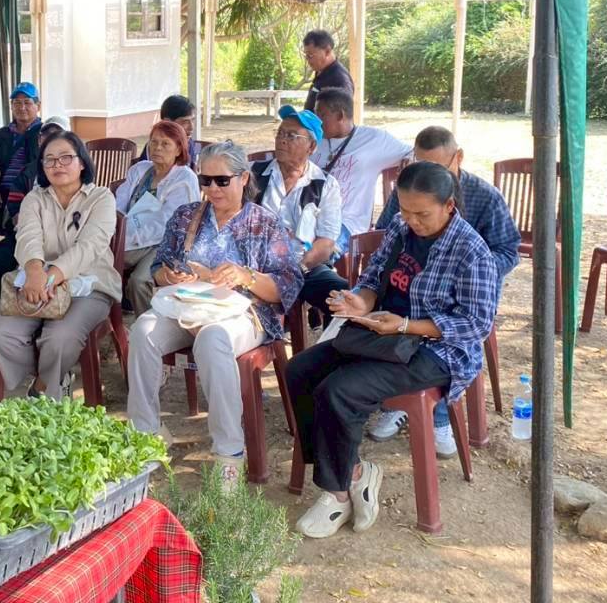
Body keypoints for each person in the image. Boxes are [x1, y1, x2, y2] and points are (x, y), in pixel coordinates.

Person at [285, 162, 499, 539]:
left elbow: (475, 324)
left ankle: (335, 495)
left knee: (340, 391)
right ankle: (354, 474)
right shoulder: (400, 228)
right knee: (299, 371)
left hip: (437, 350)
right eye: (405, 210)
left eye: (423, 214)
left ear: (449, 205)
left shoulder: (472, 251)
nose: (412, 221)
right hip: (382, 332)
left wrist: (404, 325)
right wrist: (361, 302)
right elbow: (374, 274)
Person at [127, 141, 304, 487]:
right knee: (143, 330)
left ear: (243, 178)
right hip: (188, 306)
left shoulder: (263, 222)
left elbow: (289, 283)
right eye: (205, 180)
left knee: (212, 340)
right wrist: (170, 276)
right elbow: (160, 267)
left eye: (221, 181)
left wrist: (246, 276)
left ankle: (229, 453)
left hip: (244, 312)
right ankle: (146, 433)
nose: (212, 189)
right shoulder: (186, 217)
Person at [368, 126, 520, 454]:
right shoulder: (408, 191)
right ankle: (395, 405)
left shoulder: (484, 195)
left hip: (464, 295)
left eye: (438, 167)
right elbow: (385, 233)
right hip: (409, 290)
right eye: (421, 165)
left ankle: (438, 417)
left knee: (438, 345)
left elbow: (509, 250)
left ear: (458, 158)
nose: (428, 175)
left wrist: (463, 270)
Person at [0, 131, 121, 399]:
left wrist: (51, 275)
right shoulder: (34, 199)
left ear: (82, 162)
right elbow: (27, 237)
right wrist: (35, 270)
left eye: (65, 158)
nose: (57, 165)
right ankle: (49, 377)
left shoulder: (101, 197)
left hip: (89, 283)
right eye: (49, 160)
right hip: (35, 280)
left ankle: (42, 389)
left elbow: (90, 246)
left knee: (60, 337)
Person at [252, 105, 348, 318]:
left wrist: (298, 268)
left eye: (292, 136)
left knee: (344, 297)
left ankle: (332, 346)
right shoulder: (254, 174)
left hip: (303, 267)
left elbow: (326, 242)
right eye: (280, 133)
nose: (282, 140)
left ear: (311, 147)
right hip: (254, 264)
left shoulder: (325, 185)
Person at [115, 120, 201, 314]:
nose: (157, 148)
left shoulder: (184, 179)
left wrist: (127, 237)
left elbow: (168, 224)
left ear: (179, 149)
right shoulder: (140, 170)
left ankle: (150, 327)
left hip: (165, 243)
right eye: (153, 142)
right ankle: (107, 320)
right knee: (97, 262)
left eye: (165, 144)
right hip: (130, 238)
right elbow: (119, 203)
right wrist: (117, 229)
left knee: (139, 281)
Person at [310, 87, 411, 241]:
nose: (316, 120)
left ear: (340, 115)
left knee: (318, 252)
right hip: (308, 216)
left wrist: (410, 159)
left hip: (346, 222)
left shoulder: (374, 140)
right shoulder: (314, 139)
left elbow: (414, 151)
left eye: (321, 115)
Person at [0, 82, 45, 310]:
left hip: (31, 200)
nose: (22, 107)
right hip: (1, 198)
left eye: (27, 102)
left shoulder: (46, 134)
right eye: (17, 103)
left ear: (38, 105)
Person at [137, 94, 200, 168]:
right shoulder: (155, 147)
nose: (191, 127)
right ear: (167, 122)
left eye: (193, 120)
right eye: (184, 122)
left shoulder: (189, 143)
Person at [302, 29, 354, 113]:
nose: (307, 60)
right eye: (306, 55)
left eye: (310, 55)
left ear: (327, 51)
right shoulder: (320, 71)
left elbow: (341, 120)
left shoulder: (340, 79)